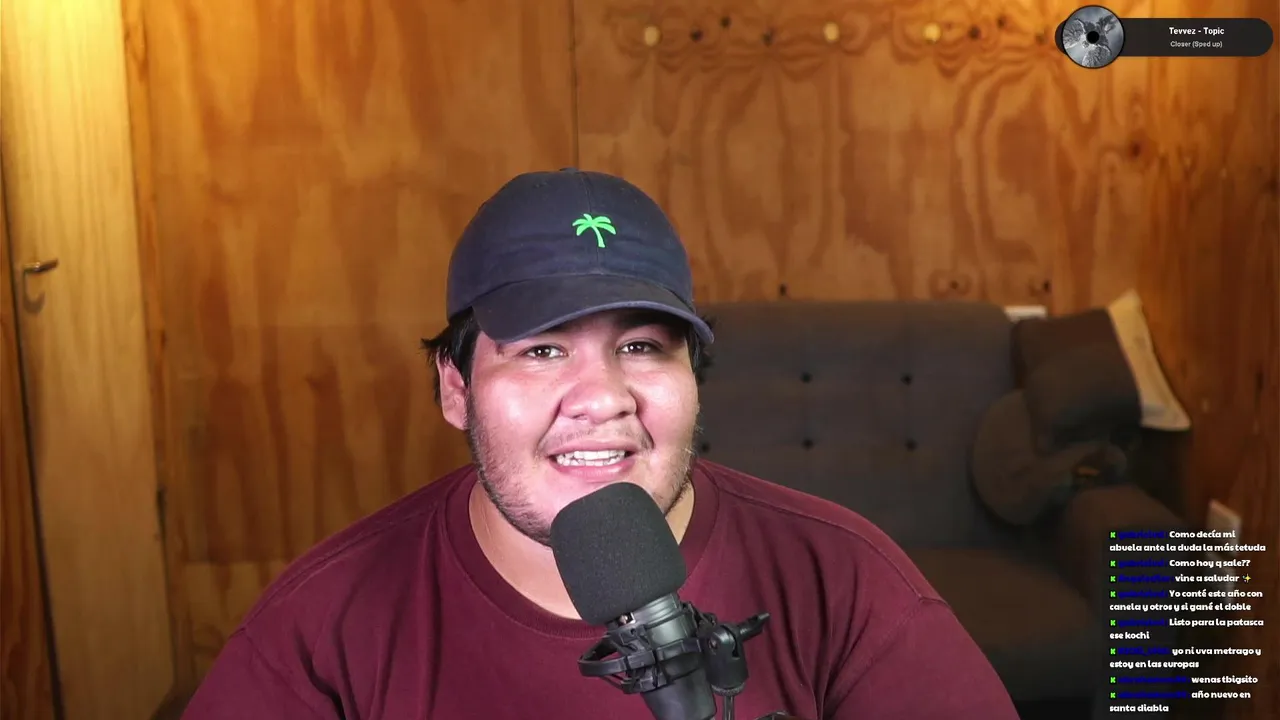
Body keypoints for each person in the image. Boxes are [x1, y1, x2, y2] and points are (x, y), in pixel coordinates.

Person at [181, 169, 1019, 719]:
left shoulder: (845, 581)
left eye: (643, 346)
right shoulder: (322, 625)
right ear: (455, 386)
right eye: (542, 350)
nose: (602, 397)